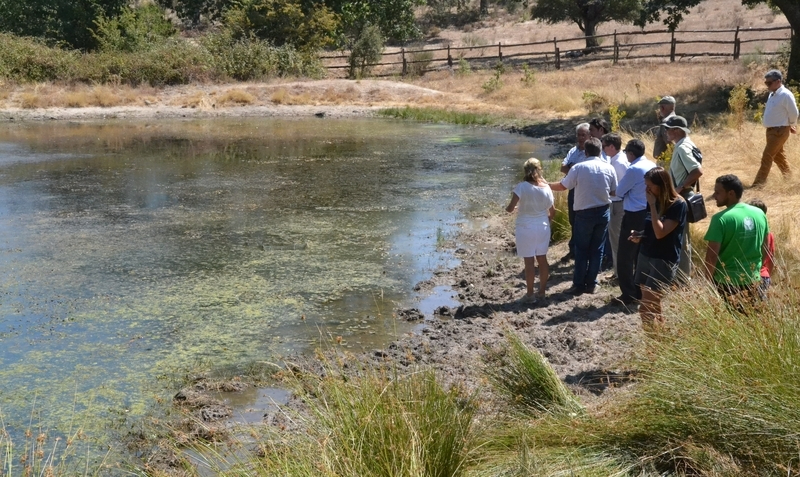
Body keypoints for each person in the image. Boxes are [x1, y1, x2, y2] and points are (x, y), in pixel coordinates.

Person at [550, 138, 617, 295]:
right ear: (600, 151)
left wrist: (545, 185)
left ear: (585, 152)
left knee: (581, 250)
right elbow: (614, 192)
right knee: (597, 249)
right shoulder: (609, 168)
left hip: (584, 213)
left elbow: (563, 186)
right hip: (603, 212)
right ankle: (592, 284)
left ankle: (578, 284)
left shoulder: (578, 168)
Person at [630, 167, 687, 328]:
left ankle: (651, 341)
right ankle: (662, 337)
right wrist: (640, 235)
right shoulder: (653, 199)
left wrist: (653, 206)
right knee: (653, 305)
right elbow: (652, 229)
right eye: (646, 186)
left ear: (662, 185)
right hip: (646, 255)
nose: (646, 190)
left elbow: (661, 233)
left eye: (650, 186)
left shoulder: (678, 205)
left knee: (645, 309)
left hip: (663, 260)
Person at [703, 175, 770, 309]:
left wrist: (706, 282)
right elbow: (766, 248)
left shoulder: (720, 219)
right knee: (750, 318)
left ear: (731, 193)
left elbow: (711, 257)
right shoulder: (759, 213)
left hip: (726, 283)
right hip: (753, 280)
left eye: (718, 192)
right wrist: (755, 271)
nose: (714, 196)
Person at [506, 158, 556, 303]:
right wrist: (545, 221)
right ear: (539, 169)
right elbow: (552, 211)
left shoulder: (521, 187)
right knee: (542, 259)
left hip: (525, 227)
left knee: (529, 261)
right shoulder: (546, 188)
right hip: (543, 226)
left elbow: (510, 208)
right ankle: (542, 292)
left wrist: (513, 208)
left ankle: (530, 295)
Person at [613, 139, 657, 306]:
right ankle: (640, 290)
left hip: (633, 215)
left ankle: (628, 294)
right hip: (648, 212)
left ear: (631, 153)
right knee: (641, 255)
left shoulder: (633, 169)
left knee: (625, 255)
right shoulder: (651, 164)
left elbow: (619, 191)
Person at [665, 115, 703, 280]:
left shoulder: (682, 147)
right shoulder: (687, 144)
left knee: (682, 238)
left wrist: (679, 188)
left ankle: (682, 279)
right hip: (684, 194)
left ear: (677, 131)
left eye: (668, 129)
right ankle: (681, 276)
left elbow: (697, 171)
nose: (666, 132)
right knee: (681, 236)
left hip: (682, 196)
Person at [753, 69, 799, 187]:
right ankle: (789, 178)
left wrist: (791, 124)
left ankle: (758, 184)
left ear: (778, 81)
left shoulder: (785, 95)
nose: (767, 85)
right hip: (772, 131)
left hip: (779, 131)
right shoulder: (772, 94)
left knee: (767, 157)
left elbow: (794, 112)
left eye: (769, 83)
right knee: (778, 157)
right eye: (766, 83)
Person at [559, 123, 591, 263]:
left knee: (584, 221)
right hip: (573, 189)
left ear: (590, 136)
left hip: (586, 191)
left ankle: (582, 250)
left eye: (583, 135)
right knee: (573, 220)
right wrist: (574, 171)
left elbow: (583, 173)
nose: (580, 138)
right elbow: (562, 167)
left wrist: (572, 169)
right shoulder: (573, 150)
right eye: (578, 135)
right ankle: (573, 249)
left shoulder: (592, 152)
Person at [602, 132, 629, 278]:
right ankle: (619, 272)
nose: (603, 149)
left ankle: (620, 274)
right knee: (616, 239)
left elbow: (623, 188)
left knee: (617, 240)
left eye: (605, 146)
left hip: (619, 204)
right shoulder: (616, 159)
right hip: (617, 203)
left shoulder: (619, 163)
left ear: (612, 146)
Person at [747, 198, 775, 294]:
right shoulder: (769, 234)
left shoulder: (746, 234)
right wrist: (768, 275)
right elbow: (771, 258)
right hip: (764, 275)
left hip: (747, 276)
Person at [653, 96, 677, 161]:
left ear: (662, 108)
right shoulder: (677, 119)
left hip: (665, 160)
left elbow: (670, 143)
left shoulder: (666, 122)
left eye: (660, 107)